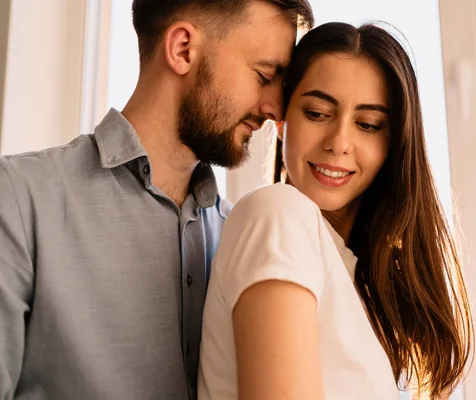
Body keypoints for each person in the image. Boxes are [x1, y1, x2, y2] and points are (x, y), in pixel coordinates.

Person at [0, 1, 314, 399]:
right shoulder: (17, 198)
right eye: (264, 75)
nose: (275, 109)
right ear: (183, 49)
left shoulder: (244, 241)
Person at [199, 22, 473, 399]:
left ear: (393, 144)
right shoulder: (279, 214)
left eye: (368, 124)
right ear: (282, 120)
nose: (339, 142)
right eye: (317, 113)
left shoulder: (361, 280)